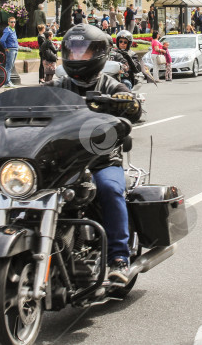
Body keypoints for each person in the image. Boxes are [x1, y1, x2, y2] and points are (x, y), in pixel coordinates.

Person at [45, 23, 141, 283]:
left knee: (109, 190)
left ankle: (119, 257)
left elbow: (132, 105)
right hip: (62, 163)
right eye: (73, 52)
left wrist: (129, 103)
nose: (77, 57)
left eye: (83, 52)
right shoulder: (58, 85)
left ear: (98, 54)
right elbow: (37, 102)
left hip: (100, 161)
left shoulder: (111, 85)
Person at [0, 17, 20, 87]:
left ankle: (8, 81)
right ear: (8, 23)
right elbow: (2, 40)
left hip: (14, 49)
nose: (13, 23)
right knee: (9, 66)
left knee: (10, 66)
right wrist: (5, 48)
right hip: (11, 49)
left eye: (14, 22)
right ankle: (7, 82)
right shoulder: (7, 30)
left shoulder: (13, 29)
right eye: (11, 22)